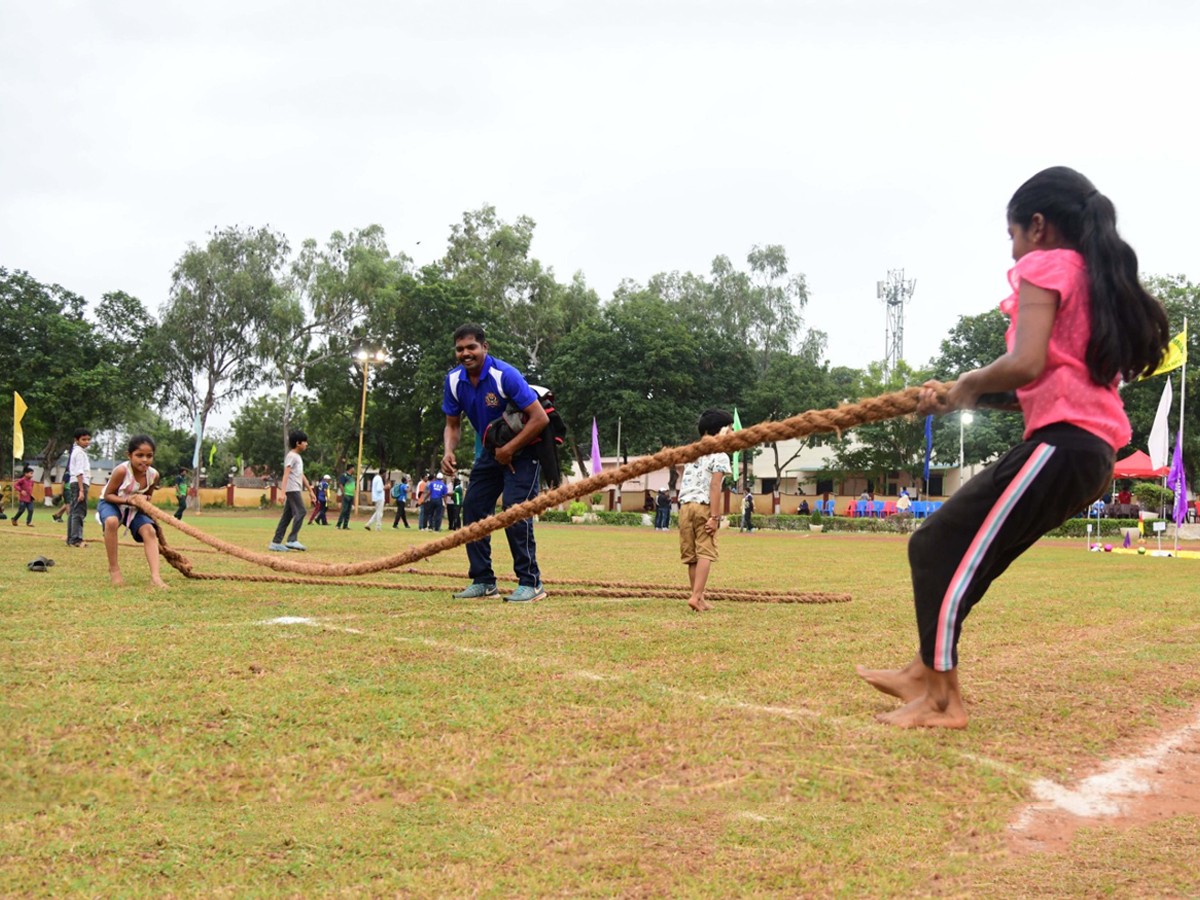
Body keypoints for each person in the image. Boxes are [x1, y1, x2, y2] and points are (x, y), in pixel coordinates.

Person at [857, 166, 1170, 729]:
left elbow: (1023, 364)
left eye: (1013, 236)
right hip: (1084, 452)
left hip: (1064, 448)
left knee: (934, 545)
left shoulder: (1046, 265)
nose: (1015, 249)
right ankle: (924, 669)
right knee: (970, 555)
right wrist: (961, 399)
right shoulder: (1094, 285)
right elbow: (1042, 387)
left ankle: (941, 700)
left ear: (1038, 226)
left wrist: (969, 383)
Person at [442, 323, 550, 602]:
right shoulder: (454, 381)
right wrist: (448, 451)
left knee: (515, 511)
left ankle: (531, 582)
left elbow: (540, 418)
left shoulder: (505, 375)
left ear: (484, 348)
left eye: (471, 347)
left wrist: (511, 449)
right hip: (491, 453)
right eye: (460, 349)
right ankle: (483, 580)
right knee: (473, 508)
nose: (465, 353)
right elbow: (452, 425)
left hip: (526, 451)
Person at [678, 409, 733, 612]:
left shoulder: (691, 452)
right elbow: (715, 486)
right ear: (719, 430)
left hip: (685, 507)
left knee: (692, 555)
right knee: (706, 552)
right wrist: (714, 517)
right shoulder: (720, 455)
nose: (732, 432)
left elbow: (680, 471)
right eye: (729, 428)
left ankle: (698, 597)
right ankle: (695, 596)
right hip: (703, 506)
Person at [98, 434, 166, 588]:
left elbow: (148, 496)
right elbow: (109, 495)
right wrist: (128, 500)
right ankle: (114, 569)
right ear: (129, 455)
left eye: (149, 456)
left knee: (149, 531)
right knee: (111, 521)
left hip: (134, 508)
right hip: (112, 503)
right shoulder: (121, 471)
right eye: (139, 455)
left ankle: (155, 577)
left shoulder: (153, 475)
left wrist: (144, 502)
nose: (144, 460)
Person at [268, 430, 314, 551]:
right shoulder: (291, 456)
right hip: (292, 489)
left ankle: (275, 542)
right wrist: (282, 493)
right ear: (298, 443)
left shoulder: (297, 457)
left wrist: (310, 490)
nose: (306, 444)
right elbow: (286, 475)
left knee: (287, 516)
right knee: (301, 511)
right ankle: (292, 540)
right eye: (305, 442)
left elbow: (301, 475)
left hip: (295, 488)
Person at [65, 427, 93, 547]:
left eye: (88, 439)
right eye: (83, 439)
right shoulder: (79, 453)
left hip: (75, 483)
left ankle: (71, 538)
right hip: (79, 483)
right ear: (77, 440)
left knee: (73, 511)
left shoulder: (76, 451)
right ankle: (76, 539)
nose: (86, 442)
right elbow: (79, 472)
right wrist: (81, 490)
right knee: (78, 511)